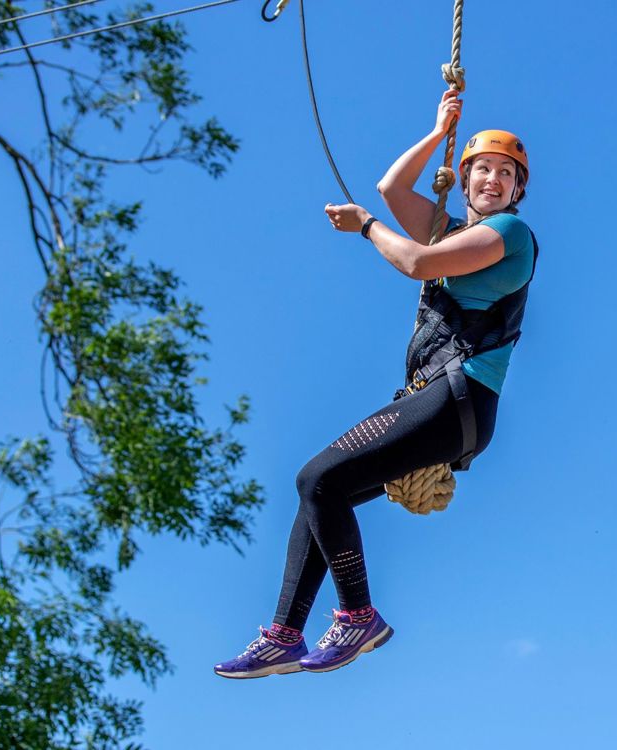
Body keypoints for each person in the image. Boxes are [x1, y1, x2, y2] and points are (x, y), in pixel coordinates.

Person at [213, 89, 537, 678]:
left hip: (458, 397)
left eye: (505, 173)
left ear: (517, 190)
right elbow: (391, 189)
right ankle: (285, 632)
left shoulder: (510, 234)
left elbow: (415, 262)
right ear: (464, 182)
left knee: (317, 476)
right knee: (318, 493)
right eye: (482, 169)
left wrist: (365, 227)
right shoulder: (449, 229)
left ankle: (356, 614)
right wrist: (440, 132)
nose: (493, 179)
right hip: (438, 398)